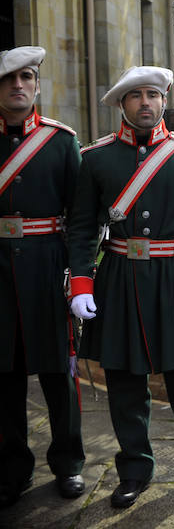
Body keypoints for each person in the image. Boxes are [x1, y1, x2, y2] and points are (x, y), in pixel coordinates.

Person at [67, 66, 174, 508]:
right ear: (122, 104)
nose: (145, 103)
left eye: (152, 94)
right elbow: (81, 227)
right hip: (119, 279)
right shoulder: (96, 158)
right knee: (125, 384)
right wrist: (81, 284)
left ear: (164, 100)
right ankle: (133, 470)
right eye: (135, 96)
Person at [0, 46, 85, 507]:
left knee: (59, 371)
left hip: (48, 267)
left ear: (36, 85)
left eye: (26, 77)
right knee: (4, 375)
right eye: (8, 79)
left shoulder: (59, 140)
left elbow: (81, 214)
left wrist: (77, 277)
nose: (17, 85)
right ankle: (12, 468)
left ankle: (69, 462)